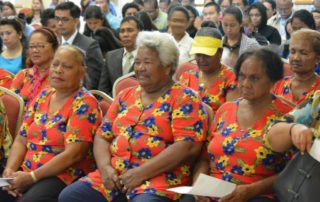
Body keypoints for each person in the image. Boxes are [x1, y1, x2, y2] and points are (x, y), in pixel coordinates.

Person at [59, 30, 207, 202]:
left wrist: (140, 173)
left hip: (158, 181)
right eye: (137, 62)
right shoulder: (125, 95)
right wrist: (105, 168)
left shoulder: (185, 98)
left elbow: (187, 147)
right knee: (70, 196)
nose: (139, 68)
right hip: (115, 176)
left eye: (147, 62)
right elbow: (102, 136)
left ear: (167, 67)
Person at [0, 45, 102, 202]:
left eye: (67, 66)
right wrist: (9, 171)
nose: (58, 70)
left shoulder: (85, 103)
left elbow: (73, 154)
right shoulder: (44, 95)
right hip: (27, 169)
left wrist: (31, 177)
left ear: (82, 72)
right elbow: (21, 139)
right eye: (55, 64)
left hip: (63, 174)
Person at [193, 48, 293, 202]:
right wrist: (198, 184)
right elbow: (204, 158)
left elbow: (291, 173)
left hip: (257, 194)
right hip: (214, 190)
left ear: (273, 80)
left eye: (254, 78)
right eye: (242, 76)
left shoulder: (287, 116)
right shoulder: (225, 110)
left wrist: (250, 191)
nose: (245, 84)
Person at [179, 27, 238, 113]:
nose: (201, 59)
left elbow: (230, 115)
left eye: (207, 55)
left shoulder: (231, 78)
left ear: (220, 52)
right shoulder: (186, 77)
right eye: (198, 55)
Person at [55, 1, 105, 90]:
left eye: (65, 19)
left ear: (76, 21)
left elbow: (94, 80)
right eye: (57, 19)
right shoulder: (54, 44)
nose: (59, 23)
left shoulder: (89, 45)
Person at [11, 28, 59, 108]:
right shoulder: (23, 75)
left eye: (40, 46)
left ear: (54, 48)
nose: (34, 50)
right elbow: (10, 105)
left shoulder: (59, 76)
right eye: (31, 46)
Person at [272, 29, 320, 106]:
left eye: (304, 53)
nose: (295, 58)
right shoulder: (279, 84)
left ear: (317, 59)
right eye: (292, 52)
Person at [98, 16, 142, 95]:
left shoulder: (147, 57)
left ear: (140, 33)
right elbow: (103, 90)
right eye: (122, 31)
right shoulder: (110, 56)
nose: (125, 34)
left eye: (130, 30)